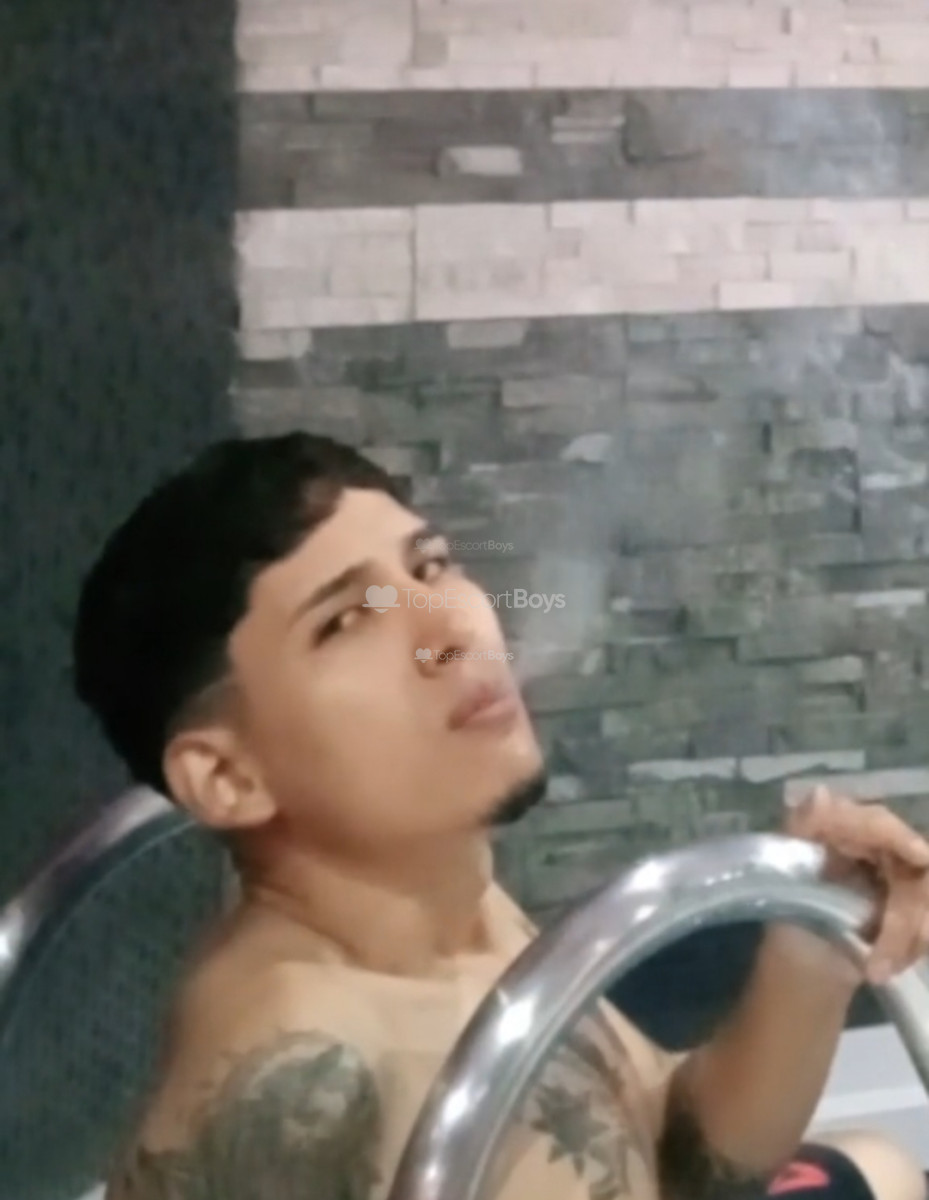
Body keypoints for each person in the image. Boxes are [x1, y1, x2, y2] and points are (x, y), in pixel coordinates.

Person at [72, 432, 929, 1200]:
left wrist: (810, 955)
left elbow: (671, 1162)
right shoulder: (298, 1071)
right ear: (226, 775)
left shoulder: (445, 907)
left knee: (882, 1164)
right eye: (347, 621)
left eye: (429, 568)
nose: (452, 626)